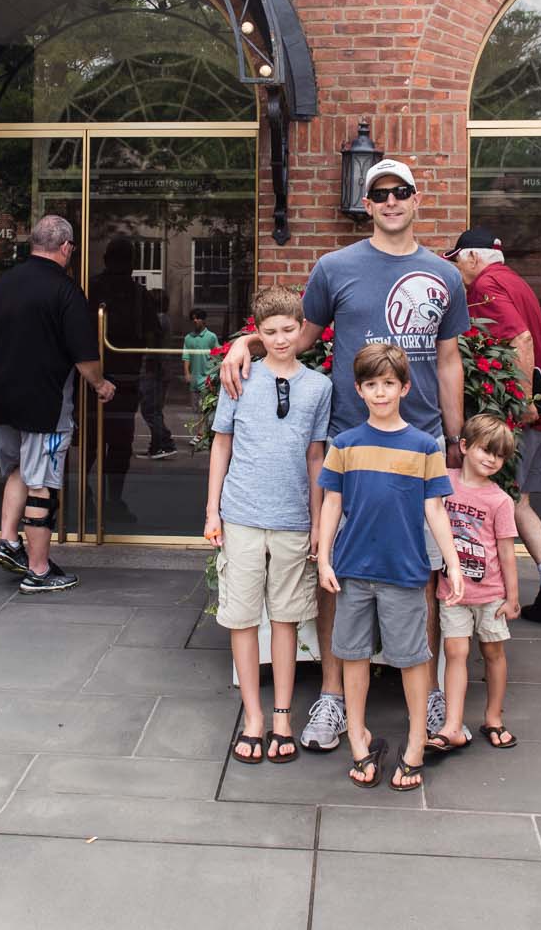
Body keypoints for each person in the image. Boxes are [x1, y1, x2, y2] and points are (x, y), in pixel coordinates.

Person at [219, 157, 468, 752]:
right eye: (378, 193)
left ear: (415, 198)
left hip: (420, 443)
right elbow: (298, 338)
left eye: (399, 191)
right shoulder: (335, 267)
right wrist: (244, 343)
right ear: (366, 202)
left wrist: (453, 442)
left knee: (425, 571)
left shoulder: (443, 275)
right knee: (338, 571)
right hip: (349, 444)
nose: (389, 201)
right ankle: (331, 696)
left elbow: (451, 358)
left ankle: (428, 692)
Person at [315, 342, 463, 794]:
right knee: (353, 654)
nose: (381, 393)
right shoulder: (344, 444)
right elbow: (332, 504)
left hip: (404, 571)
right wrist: (323, 557)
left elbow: (436, 511)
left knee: (411, 659)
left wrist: (453, 565)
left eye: (389, 384)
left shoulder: (422, 447)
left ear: (404, 387)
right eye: (371, 385)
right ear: (359, 390)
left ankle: (416, 740)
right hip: (353, 568)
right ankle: (358, 737)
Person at [203, 285, 332, 765]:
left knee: (285, 617)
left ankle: (282, 716)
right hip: (240, 514)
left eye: (289, 330)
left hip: (294, 518)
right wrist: (212, 510)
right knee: (241, 615)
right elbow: (221, 444)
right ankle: (253, 715)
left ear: (303, 331)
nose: (280, 339)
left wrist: (319, 521)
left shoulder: (319, 387)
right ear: (256, 333)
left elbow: (316, 455)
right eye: (270, 331)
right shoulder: (239, 377)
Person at [445, 227, 541, 621]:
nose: (457, 271)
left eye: (457, 261)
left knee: (505, 500)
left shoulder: (487, 284)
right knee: (519, 501)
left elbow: (519, 339)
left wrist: (519, 402)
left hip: (519, 416)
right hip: (537, 411)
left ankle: (498, 595)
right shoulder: (514, 281)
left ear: (472, 258)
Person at [0, 215, 115, 592]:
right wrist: (100, 383)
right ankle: (39, 570)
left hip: (3, 396)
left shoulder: (5, 283)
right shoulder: (65, 290)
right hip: (45, 403)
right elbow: (83, 355)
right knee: (41, 483)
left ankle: (9, 542)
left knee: (19, 471)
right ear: (66, 248)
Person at [430, 414, 523, 759]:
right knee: (455, 654)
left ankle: (493, 717)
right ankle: (452, 725)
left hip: (490, 595)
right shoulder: (445, 481)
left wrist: (512, 598)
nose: (491, 460)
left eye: (499, 456)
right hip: (453, 592)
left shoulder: (500, 501)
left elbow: (507, 553)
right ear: (465, 447)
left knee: (493, 654)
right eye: (486, 450)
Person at [89, 237, 149, 520]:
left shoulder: (93, 289)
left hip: (111, 376)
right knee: (114, 442)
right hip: (112, 376)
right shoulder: (133, 293)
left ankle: (105, 499)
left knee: (102, 440)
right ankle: (109, 499)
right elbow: (151, 337)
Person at [138, 290, 177, 460]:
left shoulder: (158, 320)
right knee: (154, 409)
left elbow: (154, 347)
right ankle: (156, 447)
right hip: (160, 370)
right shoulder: (164, 318)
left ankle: (165, 443)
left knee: (149, 409)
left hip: (154, 371)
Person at [181, 309, 219, 393]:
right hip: (194, 381)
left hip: (208, 380)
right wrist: (187, 374)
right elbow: (186, 357)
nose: (195, 320)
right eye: (193, 319)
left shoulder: (212, 337)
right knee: (194, 405)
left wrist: (214, 377)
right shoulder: (188, 338)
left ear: (204, 320)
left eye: (198, 318)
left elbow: (217, 357)